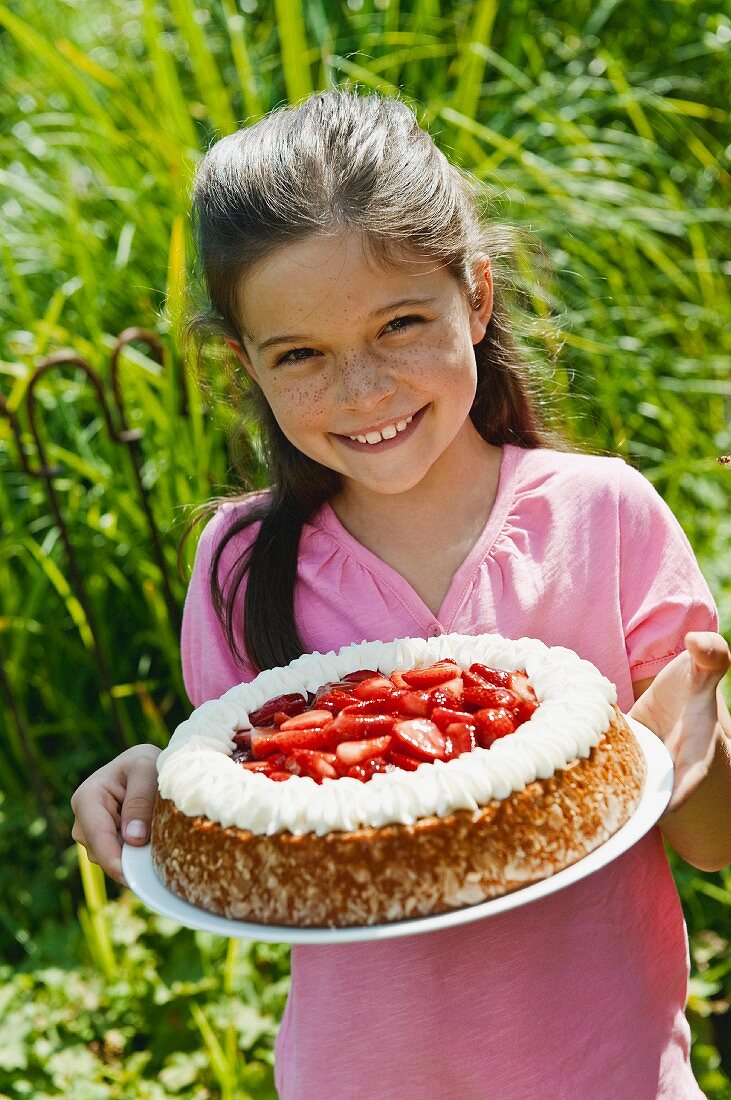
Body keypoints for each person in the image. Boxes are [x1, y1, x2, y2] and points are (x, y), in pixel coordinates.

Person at [71, 91, 731, 1098]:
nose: (362, 390)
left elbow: (711, 840)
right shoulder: (240, 562)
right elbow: (256, 815)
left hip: (606, 1073)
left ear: (474, 295)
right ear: (243, 360)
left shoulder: (602, 520)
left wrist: (685, 736)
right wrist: (156, 785)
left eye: (398, 324)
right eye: (300, 353)